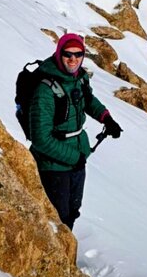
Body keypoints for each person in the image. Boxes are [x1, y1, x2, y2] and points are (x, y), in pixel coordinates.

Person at [28, 32, 122, 230]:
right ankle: (53, 259)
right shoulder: (45, 90)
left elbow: (87, 100)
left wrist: (106, 118)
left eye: (78, 54)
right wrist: (74, 157)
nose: (73, 59)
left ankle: (65, 257)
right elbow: (40, 138)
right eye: (68, 54)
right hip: (53, 166)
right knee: (57, 219)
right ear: (59, 53)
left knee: (72, 211)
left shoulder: (79, 78)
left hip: (77, 157)